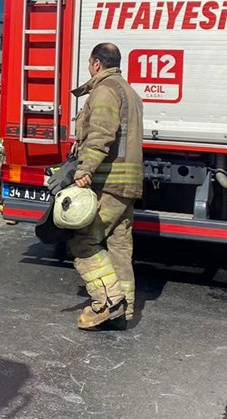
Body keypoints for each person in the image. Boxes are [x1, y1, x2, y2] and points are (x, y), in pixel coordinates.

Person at [67, 43, 144, 331]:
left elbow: (101, 134)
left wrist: (84, 169)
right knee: (119, 246)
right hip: (128, 185)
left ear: (96, 63)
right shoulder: (130, 92)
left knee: (83, 241)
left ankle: (108, 302)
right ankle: (124, 312)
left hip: (109, 183)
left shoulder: (104, 91)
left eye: (89, 63)